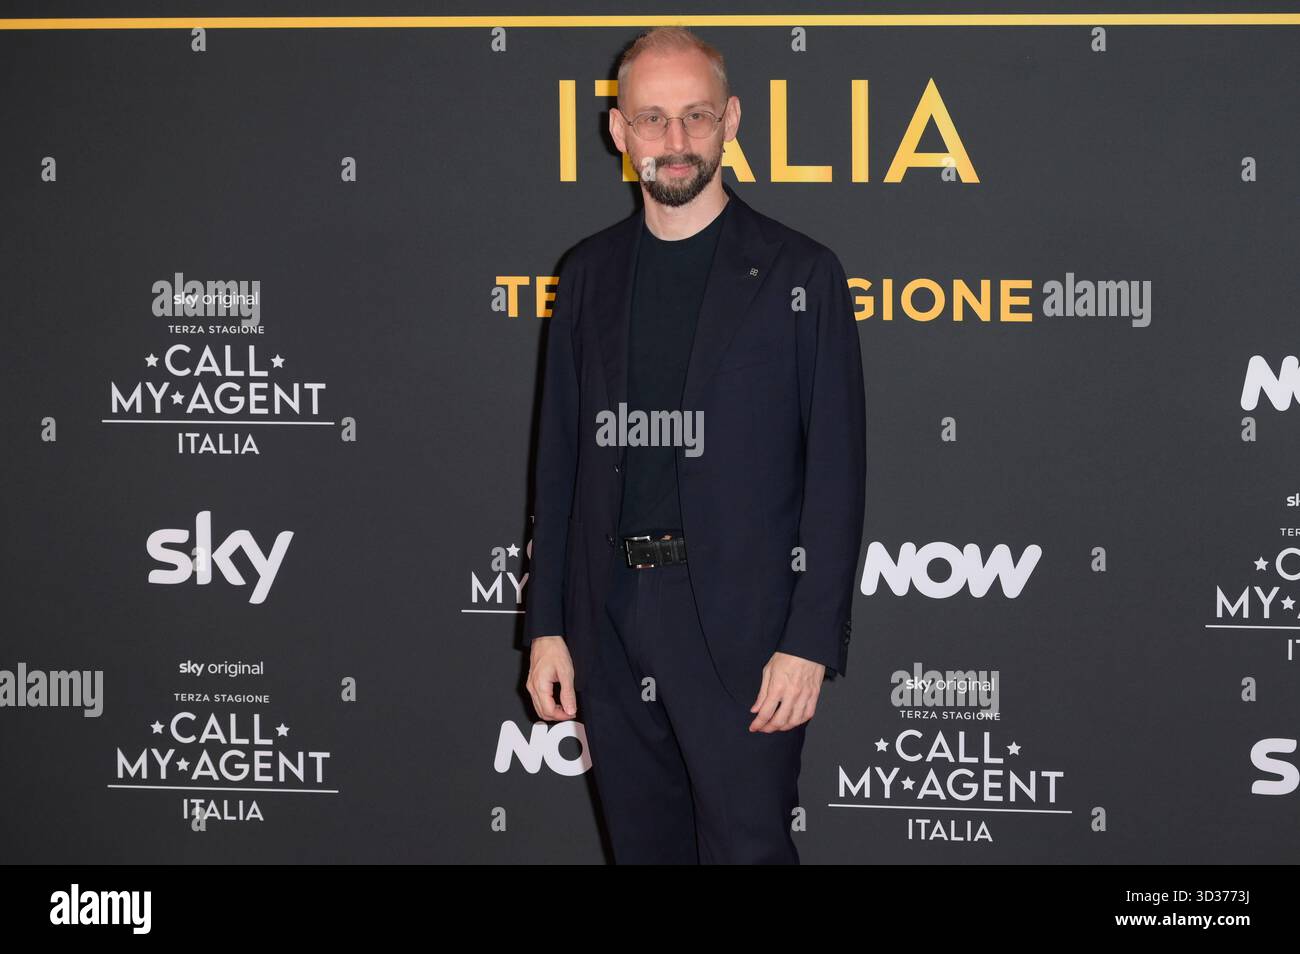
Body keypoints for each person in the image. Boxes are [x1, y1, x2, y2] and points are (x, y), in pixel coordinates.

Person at [524, 25, 865, 864]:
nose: (674, 143)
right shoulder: (588, 274)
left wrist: (810, 640)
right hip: (608, 618)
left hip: (743, 629)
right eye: (652, 119)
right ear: (618, 131)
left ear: (732, 120)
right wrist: (548, 626)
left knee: (748, 850)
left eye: (695, 117)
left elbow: (837, 470)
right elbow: (559, 458)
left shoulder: (799, 273)